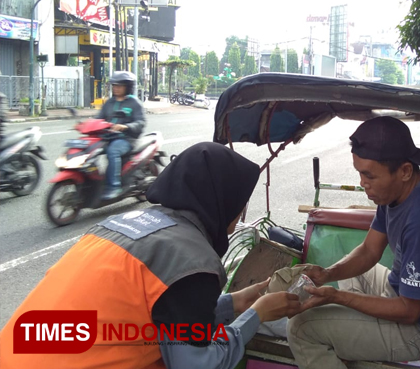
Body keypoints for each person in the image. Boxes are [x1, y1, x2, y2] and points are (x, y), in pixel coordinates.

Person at [0, 142, 301, 369]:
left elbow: (154, 315)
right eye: (240, 203)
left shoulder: (119, 225)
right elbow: (195, 364)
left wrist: (233, 304)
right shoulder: (191, 261)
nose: (239, 215)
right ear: (223, 200)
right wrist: (256, 315)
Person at [287, 116, 420, 368]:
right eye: (359, 174)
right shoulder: (397, 192)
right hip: (402, 293)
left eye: (369, 176)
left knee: (300, 328)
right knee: (349, 272)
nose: (363, 184)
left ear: (405, 171)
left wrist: (338, 298)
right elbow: (369, 251)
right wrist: (326, 274)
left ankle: (344, 335)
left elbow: (410, 312)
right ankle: (349, 334)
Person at [97, 71, 145, 200]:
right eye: (114, 85)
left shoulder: (134, 103)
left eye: (119, 85)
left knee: (113, 151)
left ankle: (114, 186)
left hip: (127, 139)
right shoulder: (109, 103)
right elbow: (99, 119)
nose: (116, 88)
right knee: (89, 151)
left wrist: (126, 126)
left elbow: (141, 122)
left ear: (127, 87)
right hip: (108, 137)